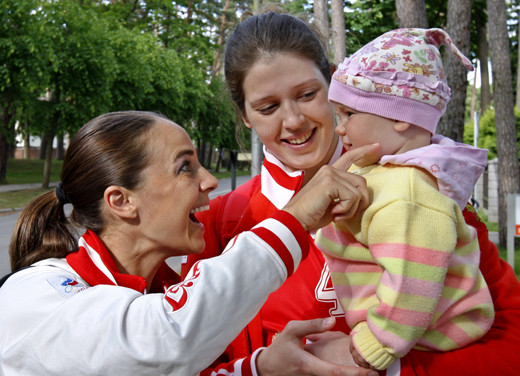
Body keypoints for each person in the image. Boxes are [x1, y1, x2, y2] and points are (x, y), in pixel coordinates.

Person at [182, 10, 520, 376]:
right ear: (245, 114)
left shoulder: (420, 182)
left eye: (308, 94)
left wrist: (390, 367)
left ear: (334, 82)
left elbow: (511, 336)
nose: (294, 120)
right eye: (268, 107)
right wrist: (261, 368)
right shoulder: (219, 222)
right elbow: (176, 358)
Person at [0, 111, 379, 376]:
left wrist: (262, 368)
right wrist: (295, 218)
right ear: (121, 201)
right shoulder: (36, 293)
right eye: (185, 167)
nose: (211, 180)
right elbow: (163, 340)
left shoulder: (159, 290)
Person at [314, 28, 494, 371]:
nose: (340, 128)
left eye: (349, 114)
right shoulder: (389, 173)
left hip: (424, 335)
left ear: (399, 117)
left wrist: (379, 343)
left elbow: (414, 276)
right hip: (412, 331)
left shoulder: (407, 193)